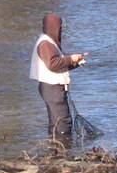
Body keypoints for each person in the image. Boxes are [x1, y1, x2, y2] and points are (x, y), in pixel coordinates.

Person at [30, 13, 86, 150]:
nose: (61, 30)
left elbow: (59, 65)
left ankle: (55, 150)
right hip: (52, 88)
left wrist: (77, 62)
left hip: (51, 87)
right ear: (53, 26)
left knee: (57, 121)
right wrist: (71, 59)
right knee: (63, 122)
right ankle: (63, 151)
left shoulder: (49, 42)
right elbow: (53, 64)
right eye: (60, 27)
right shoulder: (45, 43)